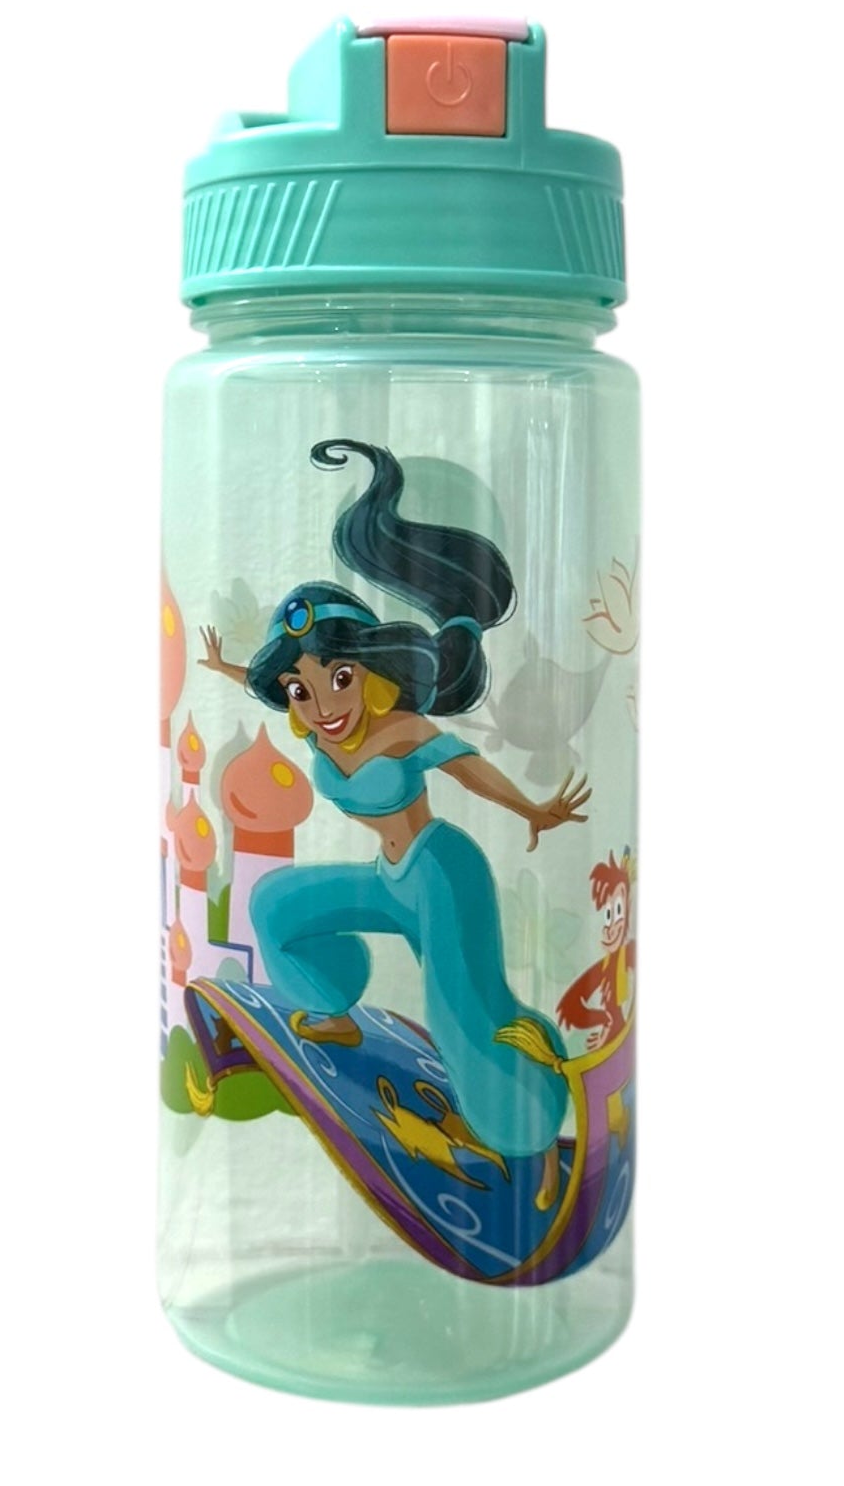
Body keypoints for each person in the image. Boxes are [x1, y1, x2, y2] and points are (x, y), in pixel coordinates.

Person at [198, 440, 589, 1189]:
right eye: (301, 689)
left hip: (442, 874)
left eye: (339, 678)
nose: (323, 703)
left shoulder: (402, 730)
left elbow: (468, 770)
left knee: (465, 1017)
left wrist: (533, 809)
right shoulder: (317, 727)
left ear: (372, 669)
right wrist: (225, 668)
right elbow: (270, 684)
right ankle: (333, 1004)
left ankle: (532, 1123)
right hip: (390, 877)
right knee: (276, 905)